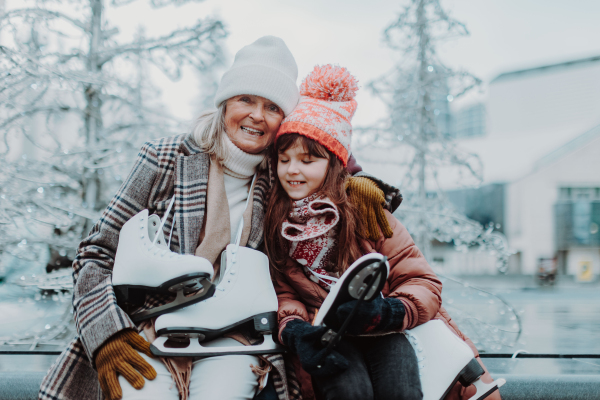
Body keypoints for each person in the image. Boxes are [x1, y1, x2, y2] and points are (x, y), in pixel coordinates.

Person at [38, 37, 391, 400]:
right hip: (150, 325)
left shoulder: (282, 176)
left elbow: (322, 155)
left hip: (235, 336)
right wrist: (108, 334)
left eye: (272, 107)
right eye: (246, 99)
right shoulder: (166, 158)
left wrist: (356, 181)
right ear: (225, 104)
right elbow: (96, 253)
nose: (257, 115)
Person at [264, 64, 502, 400]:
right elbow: (284, 293)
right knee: (349, 391)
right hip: (329, 335)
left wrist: (386, 312)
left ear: (333, 163)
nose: (292, 170)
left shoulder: (365, 208)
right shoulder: (276, 222)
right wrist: (295, 329)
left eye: (307, 160)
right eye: (284, 159)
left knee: (400, 391)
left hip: (387, 331)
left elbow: (422, 282)